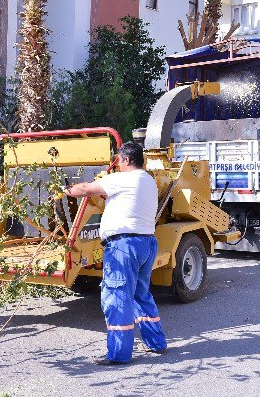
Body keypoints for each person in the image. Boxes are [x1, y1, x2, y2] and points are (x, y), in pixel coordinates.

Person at [64, 141, 167, 365]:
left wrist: (66, 190)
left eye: (119, 160)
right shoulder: (148, 180)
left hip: (124, 246)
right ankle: (156, 343)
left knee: (117, 297)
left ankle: (119, 355)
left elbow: (83, 190)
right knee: (140, 294)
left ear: (127, 160)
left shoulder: (121, 179)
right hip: (146, 243)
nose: (117, 165)